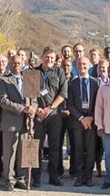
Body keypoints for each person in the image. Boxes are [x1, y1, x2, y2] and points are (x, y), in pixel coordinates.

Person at [0, 55, 38, 191]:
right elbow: (3, 101)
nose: (16, 65)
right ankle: (9, 180)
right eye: (14, 63)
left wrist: (33, 110)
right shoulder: (3, 80)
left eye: (19, 63)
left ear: (23, 64)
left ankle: (21, 178)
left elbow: (34, 99)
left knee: (24, 151)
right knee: (10, 153)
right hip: (11, 122)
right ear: (10, 63)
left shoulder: (30, 78)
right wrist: (22, 109)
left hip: (27, 123)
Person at [31, 47, 69, 187]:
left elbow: (63, 93)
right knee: (36, 147)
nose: (49, 60)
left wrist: (51, 107)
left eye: (52, 58)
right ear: (42, 57)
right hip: (38, 115)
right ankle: (36, 177)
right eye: (47, 57)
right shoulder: (33, 72)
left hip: (54, 115)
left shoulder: (59, 72)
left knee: (55, 147)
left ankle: (53, 176)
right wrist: (37, 109)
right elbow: (29, 94)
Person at [67, 57, 101, 187]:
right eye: (80, 64)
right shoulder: (72, 83)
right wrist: (81, 118)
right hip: (77, 122)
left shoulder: (96, 83)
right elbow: (69, 104)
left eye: (85, 64)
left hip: (92, 122)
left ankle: (89, 177)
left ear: (89, 66)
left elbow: (99, 104)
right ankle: (79, 177)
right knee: (78, 150)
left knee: (91, 150)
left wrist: (91, 117)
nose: (82, 66)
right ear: (77, 65)